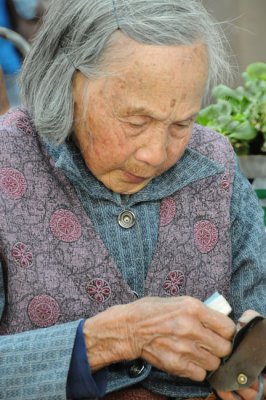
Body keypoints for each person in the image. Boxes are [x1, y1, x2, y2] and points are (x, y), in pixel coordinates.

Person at [0, 0, 265, 399]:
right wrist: (117, 336)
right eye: (135, 121)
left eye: (181, 124)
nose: (155, 154)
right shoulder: (8, 164)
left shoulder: (214, 163)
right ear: (67, 83)